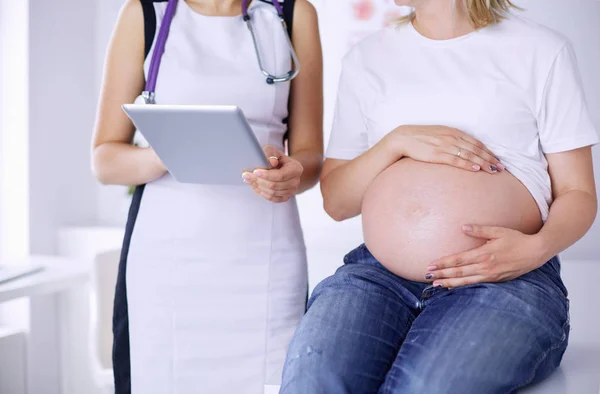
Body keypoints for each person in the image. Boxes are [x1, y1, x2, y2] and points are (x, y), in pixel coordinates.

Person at [280, 0, 598, 393]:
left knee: (428, 386)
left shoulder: (540, 50)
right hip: (380, 275)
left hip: (504, 277)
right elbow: (337, 201)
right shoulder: (367, 58)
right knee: (314, 381)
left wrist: (535, 250)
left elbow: (578, 192)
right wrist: (396, 142)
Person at [91, 0, 323, 393]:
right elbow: (105, 159)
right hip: (166, 264)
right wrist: (169, 149)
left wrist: (292, 174)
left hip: (264, 260)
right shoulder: (146, 14)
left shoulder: (294, 14)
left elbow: (311, 158)